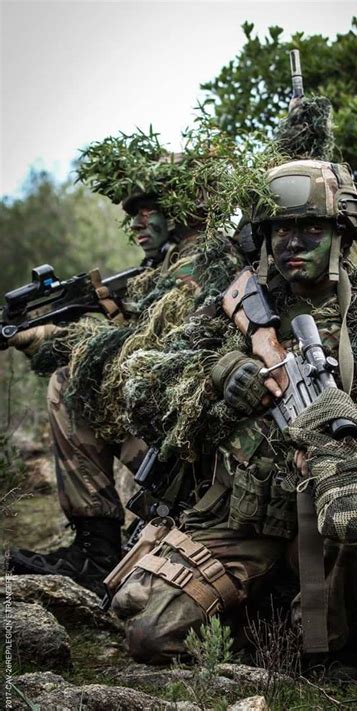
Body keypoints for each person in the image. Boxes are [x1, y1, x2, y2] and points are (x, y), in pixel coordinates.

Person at [107, 158, 357, 664]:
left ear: (342, 234)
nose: (293, 242)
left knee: (352, 514)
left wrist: (345, 445)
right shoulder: (239, 311)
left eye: (311, 227)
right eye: (280, 228)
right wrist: (220, 374)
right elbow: (141, 384)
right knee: (147, 633)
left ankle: (321, 635)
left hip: (340, 524)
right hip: (249, 520)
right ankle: (269, 626)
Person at [8, 153, 245, 595]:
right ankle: (96, 549)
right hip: (188, 443)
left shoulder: (200, 265)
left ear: (181, 206)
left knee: (71, 384)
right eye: (132, 214)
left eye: (146, 209)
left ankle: (97, 555)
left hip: (204, 461)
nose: (136, 223)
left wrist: (53, 340)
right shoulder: (169, 267)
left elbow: (140, 357)